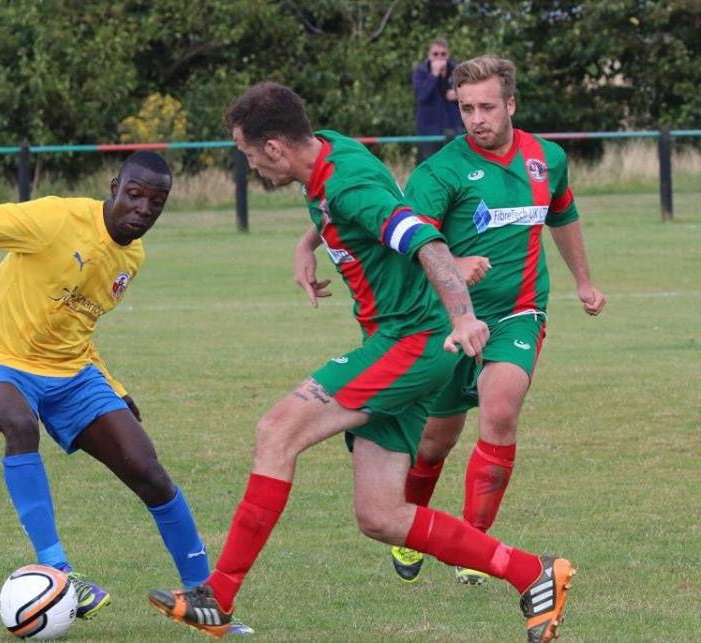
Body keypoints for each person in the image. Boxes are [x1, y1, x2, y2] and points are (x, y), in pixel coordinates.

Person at [148, 82, 575, 643]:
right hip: (406, 342)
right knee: (380, 515)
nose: (250, 166)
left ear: (274, 147)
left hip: (410, 341)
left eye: (249, 155)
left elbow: (425, 241)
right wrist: (309, 243)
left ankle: (218, 594)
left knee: (276, 431)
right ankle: (533, 574)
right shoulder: (327, 152)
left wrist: (465, 316)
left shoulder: (344, 183)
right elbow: (354, 201)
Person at [0, 152, 253, 634]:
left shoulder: (131, 258)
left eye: (156, 202)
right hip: (1, 359)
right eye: (134, 194)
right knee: (19, 425)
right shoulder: (55, 218)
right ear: (114, 187)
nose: (142, 208)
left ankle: (207, 601)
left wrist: (114, 387)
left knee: (150, 474)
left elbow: (77, 325)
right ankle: (60, 571)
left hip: (73, 374)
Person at [387, 55, 606, 586]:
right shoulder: (440, 172)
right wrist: (454, 265)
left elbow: (563, 214)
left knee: (502, 407)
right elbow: (402, 242)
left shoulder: (546, 159)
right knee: (434, 443)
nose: (477, 118)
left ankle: (473, 544)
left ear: (510, 104)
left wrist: (583, 280)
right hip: (452, 323)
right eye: (466, 108)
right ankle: (408, 531)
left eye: (487, 106)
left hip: (519, 313)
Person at [413, 38, 465, 163]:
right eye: (435, 54)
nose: (439, 58)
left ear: (448, 55)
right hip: (428, 130)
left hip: (453, 129)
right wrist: (434, 75)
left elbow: (471, 95)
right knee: (430, 165)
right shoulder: (421, 72)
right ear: (429, 55)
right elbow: (421, 96)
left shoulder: (457, 71)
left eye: (443, 54)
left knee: (453, 165)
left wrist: (460, 94)